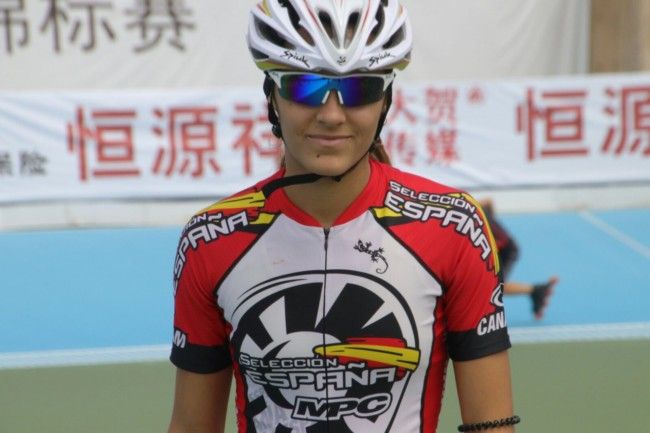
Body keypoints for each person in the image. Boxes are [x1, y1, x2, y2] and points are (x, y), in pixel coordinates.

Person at [167, 1, 518, 432]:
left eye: (359, 89)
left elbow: (492, 425)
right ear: (271, 96)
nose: (332, 115)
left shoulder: (453, 226)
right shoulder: (209, 240)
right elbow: (191, 425)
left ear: (386, 100)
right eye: (305, 86)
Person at [480, 199, 558, 320]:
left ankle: (537, 290)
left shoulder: (473, 214)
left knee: (494, 286)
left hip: (506, 251)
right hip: (500, 248)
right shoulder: (474, 211)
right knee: (494, 285)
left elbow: (488, 201)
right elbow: (488, 202)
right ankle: (536, 290)